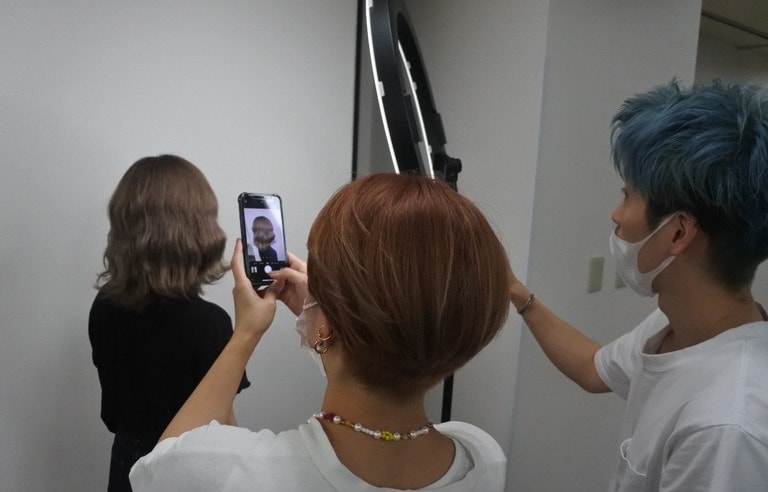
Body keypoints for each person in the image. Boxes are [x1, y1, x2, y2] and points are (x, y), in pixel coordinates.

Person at [129, 173, 511, 491]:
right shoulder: (482, 458)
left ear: (328, 323)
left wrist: (246, 332)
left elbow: (160, 465)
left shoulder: (234, 474)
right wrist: (328, 320)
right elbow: (388, 359)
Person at [509, 80, 768, 490]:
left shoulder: (725, 427)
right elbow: (593, 368)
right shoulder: (673, 326)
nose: (616, 214)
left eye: (628, 195)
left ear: (678, 232)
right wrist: (514, 290)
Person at [89, 155, 250, 492]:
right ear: (199, 230)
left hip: (127, 459)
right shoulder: (209, 324)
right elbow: (222, 420)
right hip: (187, 470)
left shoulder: (104, 304)